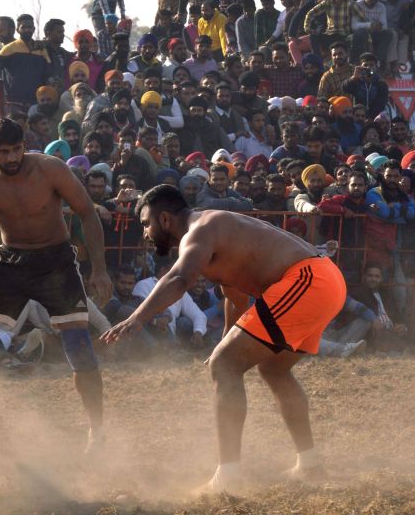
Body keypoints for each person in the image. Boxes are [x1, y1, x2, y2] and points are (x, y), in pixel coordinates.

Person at [102, 185, 347, 493]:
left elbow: (178, 279)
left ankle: (227, 477)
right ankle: (310, 464)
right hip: (323, 281)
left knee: (225, 365)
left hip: (307, 280)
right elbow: (234, 295)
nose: (146, 233)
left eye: (146, 224)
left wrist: (136, 318)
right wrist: (225, 345)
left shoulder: (200, 230)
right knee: (272, 369)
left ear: (164, 219)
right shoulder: (214, 233)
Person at [0, 118, 113, 448]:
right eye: (3, 152)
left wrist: (99, 268)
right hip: (10, 262)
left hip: (56, 262)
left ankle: (97, 430)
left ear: (23, 147)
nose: (12, 158)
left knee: (79, 347)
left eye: (16, 150)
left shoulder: (50, 168)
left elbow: (86, 211)